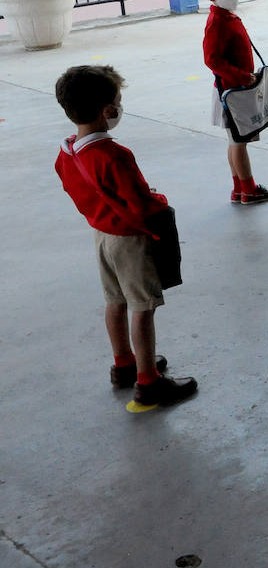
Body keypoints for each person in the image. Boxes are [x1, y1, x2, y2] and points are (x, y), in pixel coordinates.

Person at [53, 65, 198, 408]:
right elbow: (141, 206)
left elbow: (77, 194)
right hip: (130, 239)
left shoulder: (66, 152)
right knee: (143, 308)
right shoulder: (114, 155)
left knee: (115, 301)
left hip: (102, 235)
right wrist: (159, 203)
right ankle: (149, 382)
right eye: (117, 101)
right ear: (108, 111)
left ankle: (124, 364)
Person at [201, 0, 268, 205]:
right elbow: (211, 59)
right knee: (239, 143)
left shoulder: (226, 17)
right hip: (232, 90)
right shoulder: (217, 22)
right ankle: (250, 190)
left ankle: (239, 189)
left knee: (234, 141)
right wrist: (242, 77)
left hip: (234, 88)